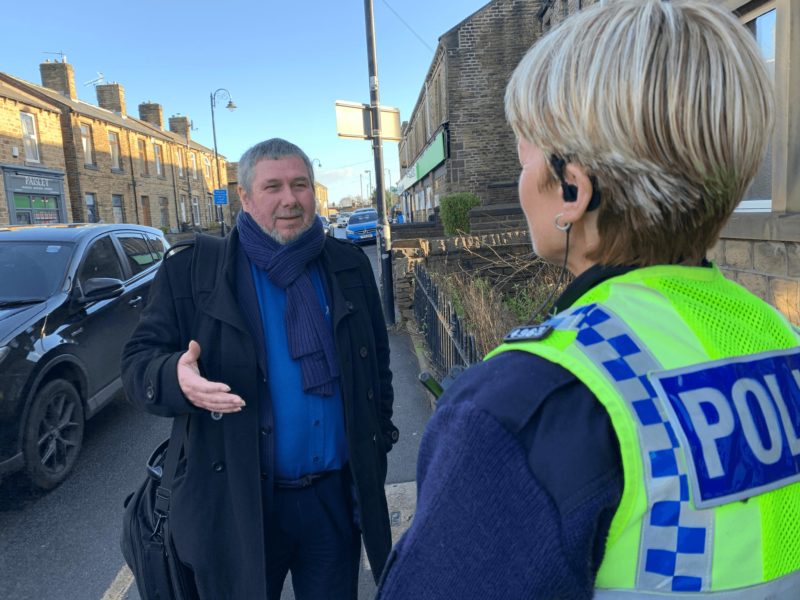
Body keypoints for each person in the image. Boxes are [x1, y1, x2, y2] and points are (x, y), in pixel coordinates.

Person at [377, 1, 800, 598]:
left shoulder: (527, 405)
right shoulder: (778, 340)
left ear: (572, 188)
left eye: (523, 155)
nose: (522, 180)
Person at [122, 138, 398, 599]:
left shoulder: (347, 266)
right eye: (273, 186)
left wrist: (379, 436)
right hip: (240, 503)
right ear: (246, 199)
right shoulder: (195, 271)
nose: (289, 199)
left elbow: (378, 365)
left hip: (331, 499)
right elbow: (136, 364)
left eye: (300, 184)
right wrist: (175, 377)